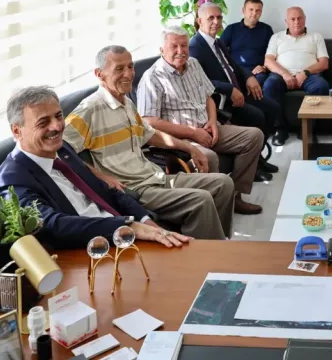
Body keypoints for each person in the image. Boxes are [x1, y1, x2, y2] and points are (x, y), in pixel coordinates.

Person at [64, 45, 234, 239]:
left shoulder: (126, 102)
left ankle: (217, 244)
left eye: (130, 67)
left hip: (156, 177)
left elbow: (150, 134)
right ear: (99, 74)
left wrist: (190, 148)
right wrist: (102, 178)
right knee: (201, 199)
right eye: (119, 69)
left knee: (224, 184)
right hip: (134, 189)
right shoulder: (89, 110)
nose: (128, 74)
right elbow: (61, 151)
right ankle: (207, 257)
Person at [0, 87, 192, 249]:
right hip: (91, 251)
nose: (57, 126)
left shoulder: (63, 151)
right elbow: (53, 225)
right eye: (43, 122)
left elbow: (107, 191)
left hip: (125, 235)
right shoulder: (11, 179)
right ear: (17, 131)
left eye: (58, 116)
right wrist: (129, 227)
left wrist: (147, 223)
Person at [142, 25, 264, 215]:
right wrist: (193, 133)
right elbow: (150, 122)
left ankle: (235, 197)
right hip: (182, 138)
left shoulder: (194, 64)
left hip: (207, 127)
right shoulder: (152, 78)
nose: (180, 51)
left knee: (254, 136)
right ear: (161, 49)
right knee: (209, 158)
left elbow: (208, 96)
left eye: (184, 46)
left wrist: (213, 122)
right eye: (174, 46)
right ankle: (213, 211)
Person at [189, 2, 280, 175]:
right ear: (200, 21)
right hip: (222, 99)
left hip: (239, 89)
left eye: (219, 17)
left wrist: (249, 77)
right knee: (257, 116)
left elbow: (234, 65)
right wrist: (229, 89)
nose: (216, 22)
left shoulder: (217, 42)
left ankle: (257, 158)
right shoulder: (195, 47)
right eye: (211, 18)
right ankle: (252, 167)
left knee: (273, 109)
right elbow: (200, 81)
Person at [263, 6, 330, 145]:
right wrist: (285, 74)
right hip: (281, 75)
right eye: (292, 19)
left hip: (309, 75)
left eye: (299, 18)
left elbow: (324, 63)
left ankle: (306, 128)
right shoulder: (276, 37)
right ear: (286, 21)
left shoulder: (316, 37)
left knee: (321, 86)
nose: (296, 22)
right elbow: (268, 61)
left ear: (305, 19)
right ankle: (280, 129)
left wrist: (305, 73)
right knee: (269, 85)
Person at [220, 0, 275, 84]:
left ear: (261, 12)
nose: (254, 13)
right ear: (243, 10)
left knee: (261, 82)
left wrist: (264, 67)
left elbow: (273, 54)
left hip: (257, 72)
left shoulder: (266, 30)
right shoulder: (231, 29)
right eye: (251, 10)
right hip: (235, 71)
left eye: (258, 11)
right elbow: (220, 51)